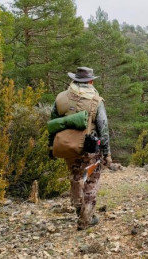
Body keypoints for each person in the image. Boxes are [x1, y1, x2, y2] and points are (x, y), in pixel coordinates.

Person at [48, 67, 112, 230]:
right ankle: (86, 218)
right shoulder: (96, 100)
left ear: (75, 80)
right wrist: (107, 153)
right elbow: (103, 128)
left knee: (76, 177)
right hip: (90, 148)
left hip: (68, 146)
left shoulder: (61, 98)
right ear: (90, 81)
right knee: (91, 180)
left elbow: (53, 124)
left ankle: (79, 210)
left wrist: (51, 146)